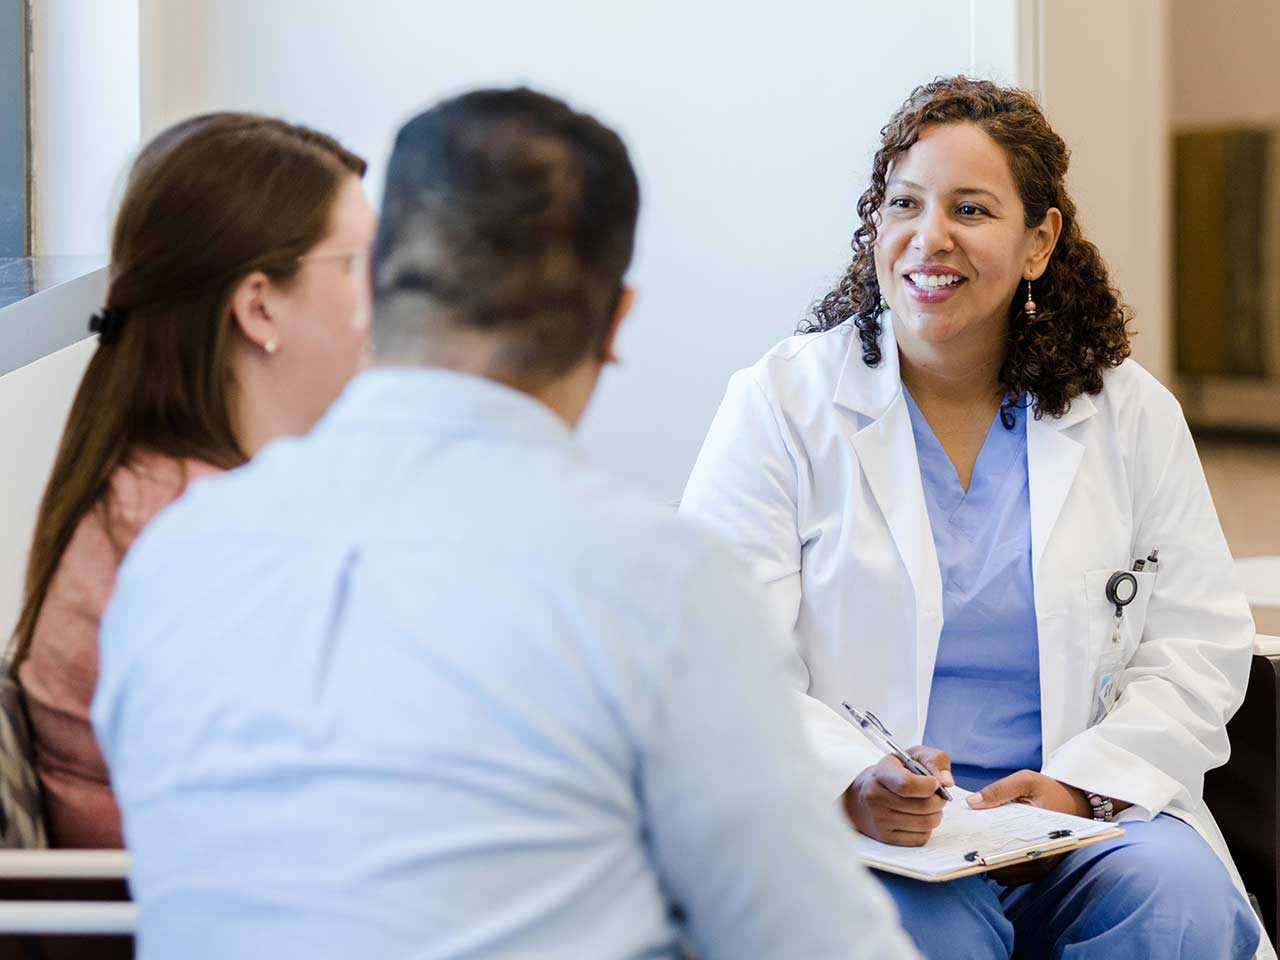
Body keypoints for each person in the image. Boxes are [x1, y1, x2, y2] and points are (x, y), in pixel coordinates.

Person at [91, 88, 917, 959]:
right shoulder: (659, 582)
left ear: (371, 285)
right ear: (616, 323)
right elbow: (810, 940)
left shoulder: (175, 554)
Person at [681, 76, 1269, 959]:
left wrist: (1079, 789)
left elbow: (1198, 645)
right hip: (876, 833)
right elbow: (714, 655)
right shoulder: (781, 405)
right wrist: (851, 779)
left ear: (1040, 242)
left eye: (971, 209)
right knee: (914, 935)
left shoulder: (1128, 413)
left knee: (1176, 902)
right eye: (904, 204)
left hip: (1083, 821)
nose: (930, 237)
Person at [10, 113, 374, 848]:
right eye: (358, 265)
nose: (389, 298)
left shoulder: (161, 489)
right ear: (260, 305)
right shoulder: (198, 545)